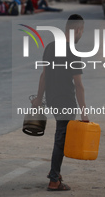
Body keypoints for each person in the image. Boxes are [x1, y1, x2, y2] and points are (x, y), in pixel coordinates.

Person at [32, 14, 89, 191]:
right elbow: (79, 86)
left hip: (52, 99)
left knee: (60, 136)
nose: (81, 35)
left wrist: (38, 99)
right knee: (61, 139)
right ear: (78, 30)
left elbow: (44, 75)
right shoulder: (73, 52)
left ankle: (54, 173)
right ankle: (54, 180)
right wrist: (84, 111)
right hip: (66, 100)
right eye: (82, 31)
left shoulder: (50, 47)